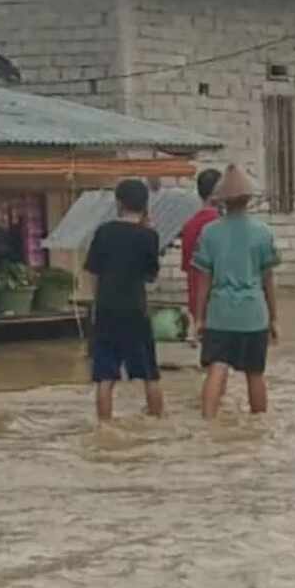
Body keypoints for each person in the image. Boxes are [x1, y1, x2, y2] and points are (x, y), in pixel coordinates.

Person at [192, 165, 281, 419]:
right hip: (253, 315)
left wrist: (199, 318)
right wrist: (274, 318)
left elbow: (203, 280)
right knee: (255, 373)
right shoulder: (263, 233)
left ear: (222, 200)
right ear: (248, 199)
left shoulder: (209, 233)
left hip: (220, 314)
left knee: (216, 369)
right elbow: (268, 280)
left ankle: (207, 425)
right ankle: (259, 425)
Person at [84, 179, 164, 422]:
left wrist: (95, 306)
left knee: (105, 377)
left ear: (118, 203)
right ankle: (157, 422)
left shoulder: (103, 232)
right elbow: (151, 277)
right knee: (150, 374)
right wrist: (148, 231)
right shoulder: (149, 236)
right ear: (145, 205)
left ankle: (104, 426)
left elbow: (93, 274)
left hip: (107, 311)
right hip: (136, 310)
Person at [180, 168, 222, 324]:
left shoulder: (189, 226)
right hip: (222, 304)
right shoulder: (223, 225)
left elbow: (187, 266)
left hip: (197, 305)